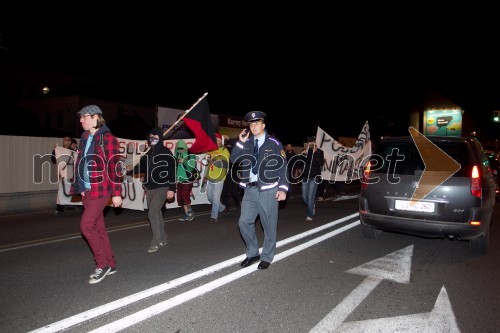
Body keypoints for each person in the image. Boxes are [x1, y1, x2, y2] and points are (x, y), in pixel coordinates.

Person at [71, 105, 123, 284]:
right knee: (98, 228)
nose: (81, 120)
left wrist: (116, 193)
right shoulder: (85, 137)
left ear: (95, 118)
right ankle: (111, 263)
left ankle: (102, 264)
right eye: (80, 117)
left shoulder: (108, 138)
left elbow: (114, 168)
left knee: (86, 226)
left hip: (101, 189)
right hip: (86, 189)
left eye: (84, 117)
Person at [230, 111, 288, 270]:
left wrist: (283, 188)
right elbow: (234, 160)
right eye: (251, 124)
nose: (253, 127)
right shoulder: (247, 143)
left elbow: (283, 167)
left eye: (256, 123)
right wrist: (239, 143)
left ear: (263, 125)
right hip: (249, 190)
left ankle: (267, 256)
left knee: (269, 225)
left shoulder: (274, 143)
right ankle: (253, 252)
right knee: (243, 222)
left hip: (268, 190)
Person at [127, 127, 176, 253]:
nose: (152, 138)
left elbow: (172, 172)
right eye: (150, 136)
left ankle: (155, 242)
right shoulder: (148, 154)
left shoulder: (166, 152)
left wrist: (172, 189)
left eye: (155, 136)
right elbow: (141, 168)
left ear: (160, 137)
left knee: (152, 213)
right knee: (157, 213)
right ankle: (163, 237)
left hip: (163, 187)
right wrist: (130, 169)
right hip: (150, 188)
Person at [298, 137, 324, 221]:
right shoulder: (305, 151)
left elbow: (319, 163)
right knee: (304, 196)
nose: (311, 144)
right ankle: (312, 205)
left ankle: (309, 215)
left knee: (310, 197)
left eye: (312, 142)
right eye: (309, 143)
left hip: (314, 177)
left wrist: (315, 153)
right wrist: (303, 154)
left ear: (315, 143)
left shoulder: (320, 152)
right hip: (305, 177)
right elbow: (299, 163)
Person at [205, 133, 230, 223]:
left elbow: (224, 164)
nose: (216, 141)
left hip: (219, 177)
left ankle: (214, 216)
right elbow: (208, 164)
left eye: (218, 140)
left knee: (215, 198)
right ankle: (223, 208)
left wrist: (213, 160)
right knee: (209, 197)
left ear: (221, 141)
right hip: (210, 177)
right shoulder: (211, 150)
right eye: (215, 140)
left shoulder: (225, 151)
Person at [51, 136, 76, 216]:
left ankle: (60, 209)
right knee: (63, 191)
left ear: (69, 142)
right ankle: (62, 208)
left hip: (69, 174)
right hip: (63, 174)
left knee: (64, 191)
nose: (64, 141)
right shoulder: (60, 150)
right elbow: (54, 160)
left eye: (66, 140)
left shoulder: (72, 151)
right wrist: (54, 151)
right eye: (64, 140)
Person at [175, 139, 197, 221]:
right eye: (179, 148)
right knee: (180, 198)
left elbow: (191, 166)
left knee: (185, 196)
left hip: (187, 179)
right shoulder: (177, 154)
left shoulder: (190, 154)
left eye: (181, 148)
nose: (180, 150)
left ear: (185, 147)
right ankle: (187, 214)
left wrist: (183, 161)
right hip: (179, 179)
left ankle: (190, 210)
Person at [221, 137, 242, 210]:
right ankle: (227, 207)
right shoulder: (225, 151)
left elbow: (238, 163)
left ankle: (237, 204)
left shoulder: (236, 152)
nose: (229, 146)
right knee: (225, 192)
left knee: (233, 192)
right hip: (228, 174)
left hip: (233, 174)